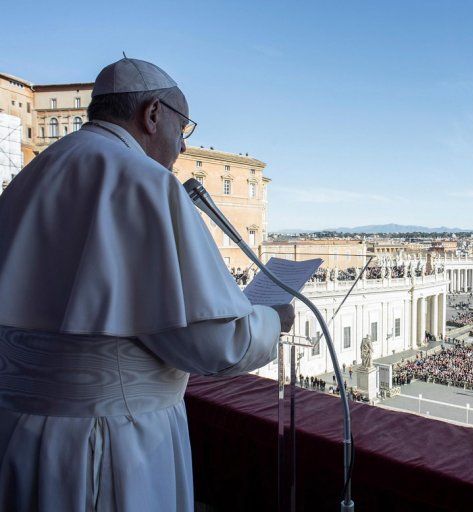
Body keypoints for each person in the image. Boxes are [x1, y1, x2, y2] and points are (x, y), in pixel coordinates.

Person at [0, 57, 295, 511]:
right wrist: (273, 321)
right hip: (109, 443)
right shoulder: (146, 182)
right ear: (152, 114)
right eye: (183, 127)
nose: (180, 145)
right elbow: (210, 343)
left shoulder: (29, 178)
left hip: (18, 434)